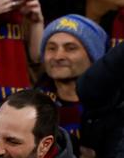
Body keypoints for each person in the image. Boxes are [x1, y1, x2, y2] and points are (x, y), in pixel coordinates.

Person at [36, 14, 108, 147]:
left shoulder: (110, 108)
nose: (58, 56)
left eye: (70, 48)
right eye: (51, 48)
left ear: (93, 57)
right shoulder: (33, 104)